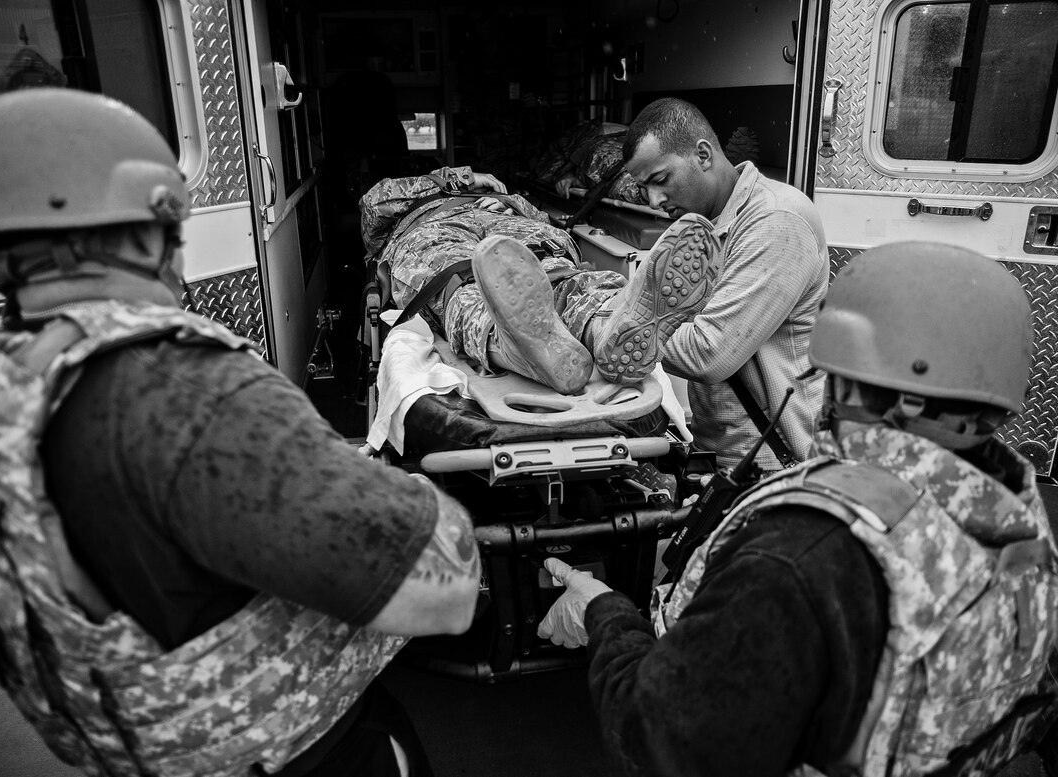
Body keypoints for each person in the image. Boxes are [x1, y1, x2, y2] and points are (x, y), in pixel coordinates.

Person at [0, 88, 481, 777]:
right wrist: (400, 489)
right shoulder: (186, 394)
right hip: (306, 752)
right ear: (146, 226)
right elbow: (443, 591)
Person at [537, 241, 1058, 776]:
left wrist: (601, 614)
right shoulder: (1016, 513)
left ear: (846, 373)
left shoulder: (796, 556)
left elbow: (658, 744)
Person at [360, 165, 721, 396]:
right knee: (459, 280)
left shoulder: (506, 196)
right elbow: (373, 203)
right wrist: (462, 178)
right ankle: (516, 342)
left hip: (514, 225)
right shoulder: (411, 200)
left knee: (559, 273)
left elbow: (546, 222)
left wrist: (515, 206)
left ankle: (609, 324)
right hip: (435, 228)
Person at [623, 97, 829, 471]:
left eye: (660, 179)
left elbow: (709, 352)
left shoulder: (777, 220)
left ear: (703, 155)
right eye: (643, 188)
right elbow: (656, 313)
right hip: (723, 455)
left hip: (776, 463)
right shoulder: (694, 228)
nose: (654, 200)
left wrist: (610, 329)